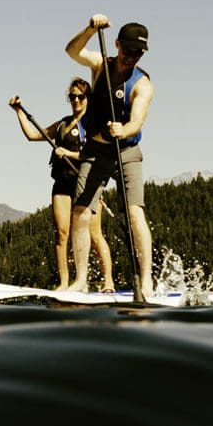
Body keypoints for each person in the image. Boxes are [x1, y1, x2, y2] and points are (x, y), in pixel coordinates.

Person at [64, 15, 155, 298]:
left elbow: (137, 121)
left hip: (126, 150)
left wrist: (123, 129)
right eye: (127, 51)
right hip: (95, 150)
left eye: (138, 53)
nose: (131, 57)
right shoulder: (100, 64)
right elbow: (72, 51)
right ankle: (80, 280)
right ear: (117, 45)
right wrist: (91, 29)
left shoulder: (143, 84)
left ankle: (147, 279)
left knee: (134, 212)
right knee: (80, 212)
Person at [8, 81, 115, 292]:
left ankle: (108, 282)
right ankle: (65, 283)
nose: (76, 100)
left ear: (88, 99)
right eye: (72, 97)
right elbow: (32, 135)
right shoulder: (62, 125)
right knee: (62, 233)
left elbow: (94, 155)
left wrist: (68, 154)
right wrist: (18, 111)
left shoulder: (93, 125)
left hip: (87, 181)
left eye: (81, 97)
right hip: (63, 182)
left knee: (94, 234)